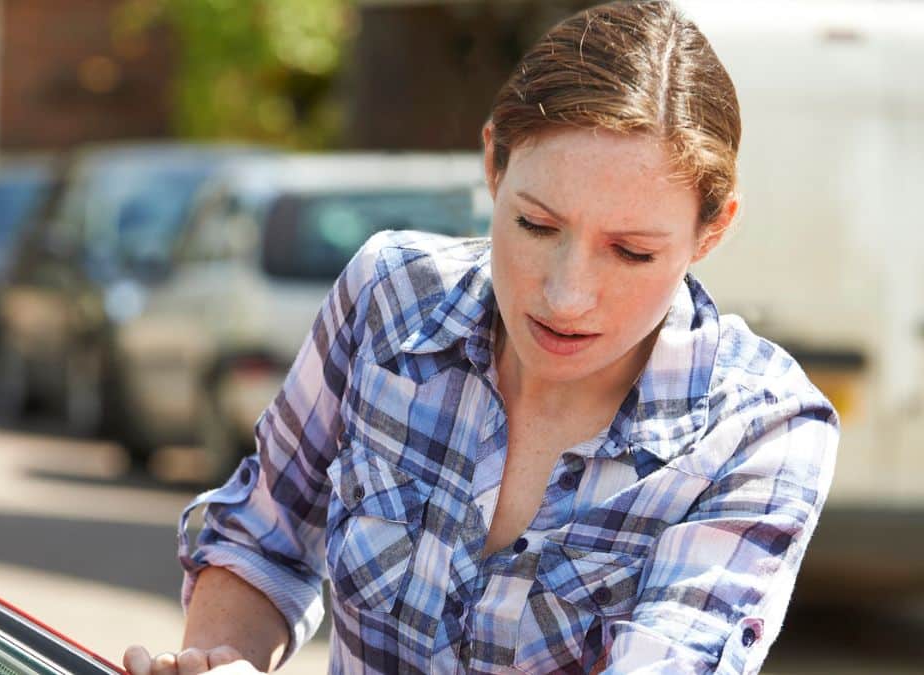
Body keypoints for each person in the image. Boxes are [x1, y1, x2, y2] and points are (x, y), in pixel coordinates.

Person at [124, 1, 839, 673]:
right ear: (494, 164)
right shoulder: (390, 296)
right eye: (536, 225)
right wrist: (225, 660)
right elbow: (264, 538)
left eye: (631, 252)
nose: (566, 295)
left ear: (712, 230)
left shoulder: (761, 430)